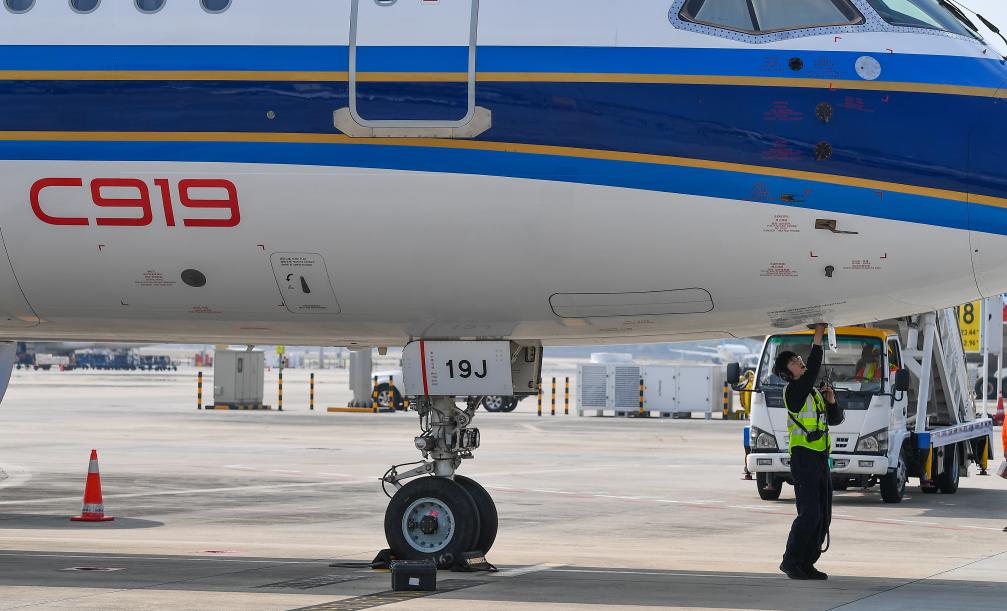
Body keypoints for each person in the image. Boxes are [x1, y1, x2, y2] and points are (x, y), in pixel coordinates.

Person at [773, 324, 844, 580]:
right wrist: (818, 337)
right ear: (787, 373)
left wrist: (832, 401)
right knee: (810, 513)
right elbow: (813, 369)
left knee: (823, 515)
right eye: (794, 361)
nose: (800, 361)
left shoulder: (813, 394)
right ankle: (791, 561)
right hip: (803, 457)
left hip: (821, 458)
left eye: (798, 358)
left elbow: (835, 420)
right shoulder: (794, 391)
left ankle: (807, 562)